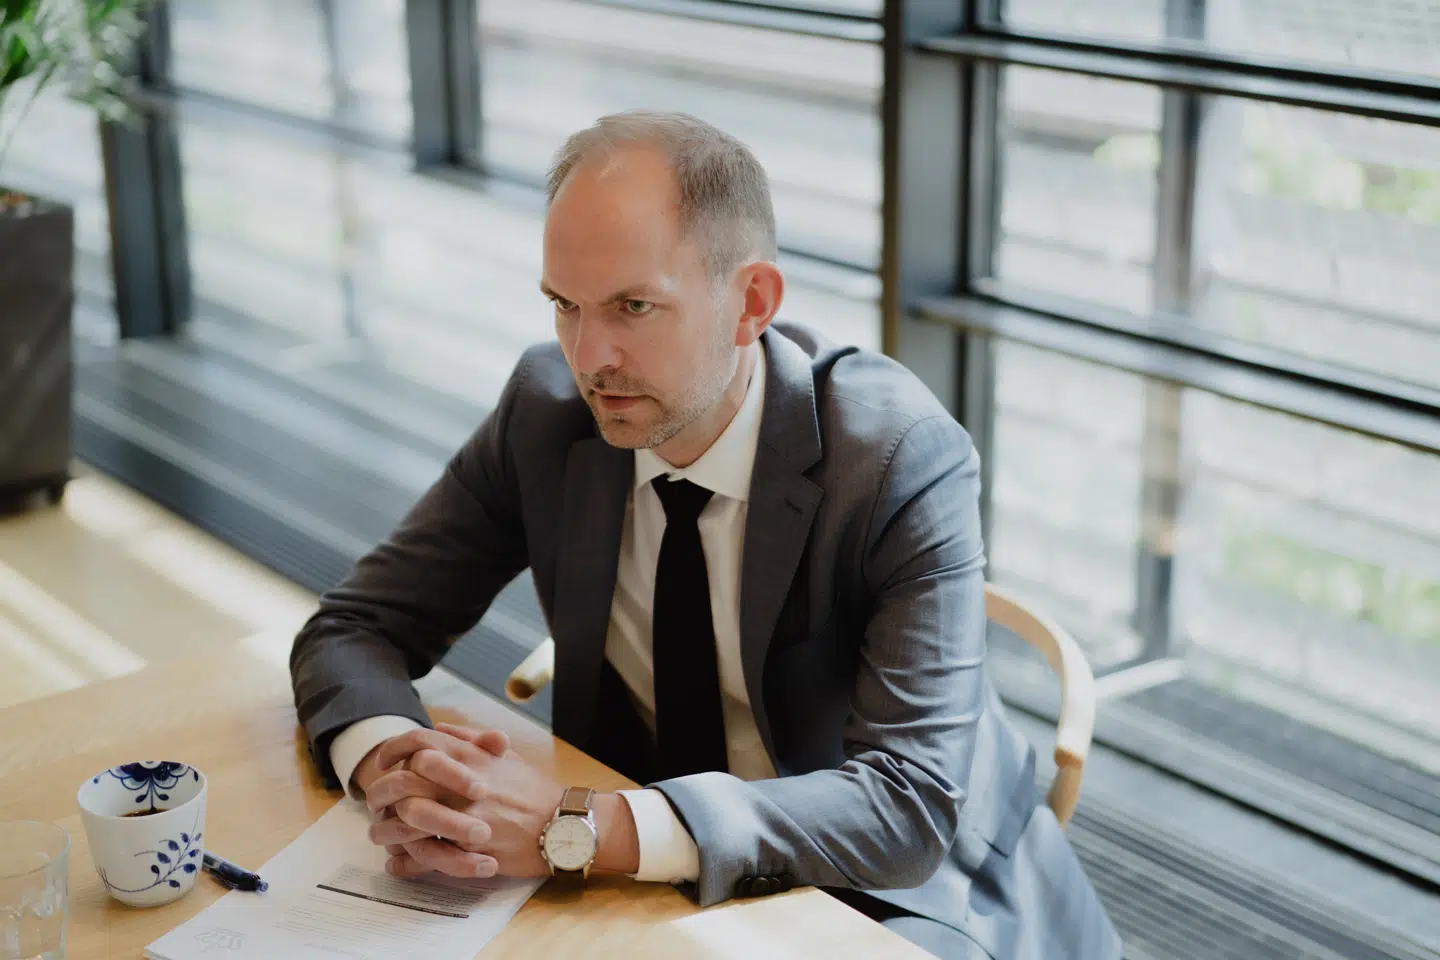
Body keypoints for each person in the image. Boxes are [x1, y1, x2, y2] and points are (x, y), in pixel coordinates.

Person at [290, 110, 1119, 959]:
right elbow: (355, 626)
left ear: (750, 303)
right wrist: (396, 768)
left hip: (890, 886)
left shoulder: (897, 456)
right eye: (563, 306)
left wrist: (573, 827)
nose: (590, 355)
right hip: (651, 858)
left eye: (634, 306)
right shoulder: (547, 412)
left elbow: (906, 807)